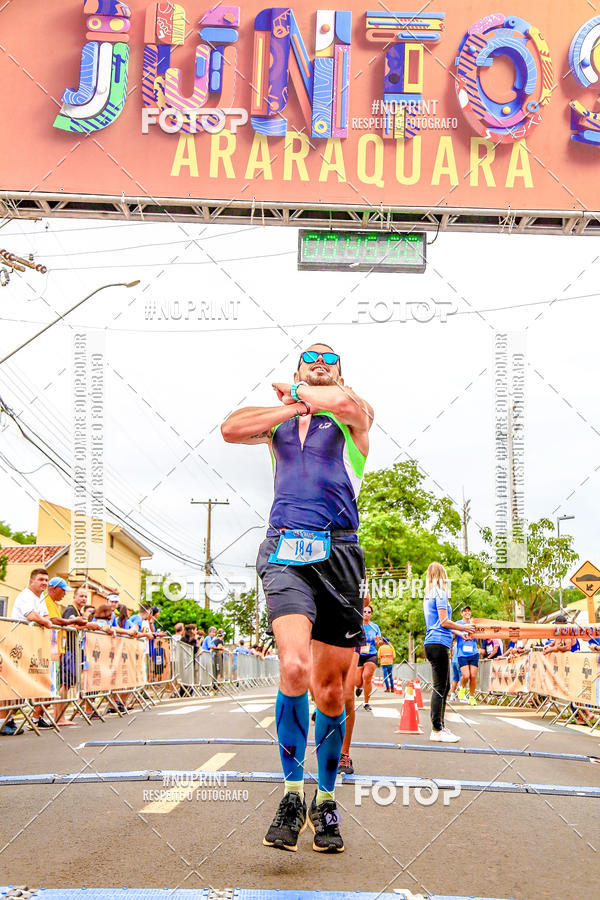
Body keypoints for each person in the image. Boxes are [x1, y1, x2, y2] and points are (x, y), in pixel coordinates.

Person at [222, 341, 373, 853]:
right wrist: (293, 405)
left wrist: (310, 394)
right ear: (294, 369)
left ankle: (325, 801)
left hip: (341, 555)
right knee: (293, 668)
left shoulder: (352, 416)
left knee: (332, 693)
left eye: (333, 360)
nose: (322, 364)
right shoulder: (280, 424)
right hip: (286, 548)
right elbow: (230, 428)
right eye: (313, 358)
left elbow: (352, 407)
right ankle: (290, 793)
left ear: (342, 374)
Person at [423, 562, 475, 743]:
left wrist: (461, 633)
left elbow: (440, 623)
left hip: (433, 642)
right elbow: (445, 622)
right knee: (440, 687)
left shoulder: (429, 594)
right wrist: (464, 626)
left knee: (443, 687)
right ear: (442, 576)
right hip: (438, 643)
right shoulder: (440, 593)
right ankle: (437, 728)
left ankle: (440, 726)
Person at [43, 577, 88, 726]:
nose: (84, 598)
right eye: (81, 596)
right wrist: (82, 625)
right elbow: (59, 622)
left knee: (65, 684)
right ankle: (58, 717)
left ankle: (57, 716)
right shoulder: (69, 609)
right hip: (65, 649)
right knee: (64, 683)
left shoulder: (59, 606)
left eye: (85, 596)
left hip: (65, 649)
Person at [355, 604, 381, 711]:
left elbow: (380, 643)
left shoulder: (375, 627)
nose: (366, 614)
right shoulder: (357, 625)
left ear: (371, 614)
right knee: (357, 681)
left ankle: (366, 702)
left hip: (371, 654)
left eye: (368, 612)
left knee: (367, 677)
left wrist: (378, 641)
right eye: (364, 611)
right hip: (359, 654)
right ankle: (359, 687)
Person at [456, 605, 479, 707]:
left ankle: (471, 697)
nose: (467, 613)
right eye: (464, 611)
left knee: (473, 676)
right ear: (461, 613)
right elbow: (451, 629)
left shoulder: (474, 623)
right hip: (462, 653)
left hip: (474, 652)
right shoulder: (458, 623)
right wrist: (461, 634)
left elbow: (484, 630)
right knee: (466, 676)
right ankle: (462, 688)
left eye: (468, 611)